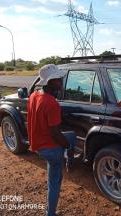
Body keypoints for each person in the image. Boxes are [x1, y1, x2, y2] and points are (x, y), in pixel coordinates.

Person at [27, 64, 75, 216]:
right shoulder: (52, 103)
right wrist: (67, 146)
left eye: (61, 78)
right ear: (49, 82)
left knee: (71, 136)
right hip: (51, 148)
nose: (61, 81)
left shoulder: (34, 95)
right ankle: (50, 213)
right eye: (57, 79)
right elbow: (55, 133)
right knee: (54, 183)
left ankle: (69, 160)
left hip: (38, 145)